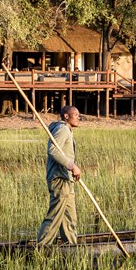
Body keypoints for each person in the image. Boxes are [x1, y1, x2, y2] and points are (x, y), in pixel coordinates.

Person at [36, 105, 83, 245]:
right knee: (55, 215)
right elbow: (53, 150)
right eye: (76, 115)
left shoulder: (66, 130)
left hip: (66, 179)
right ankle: (42, 247)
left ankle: (71, 246)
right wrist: (72, 166)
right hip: (60, 179)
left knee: (69, 217)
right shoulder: (62, 129)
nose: (79, 118)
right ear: (66, 116)